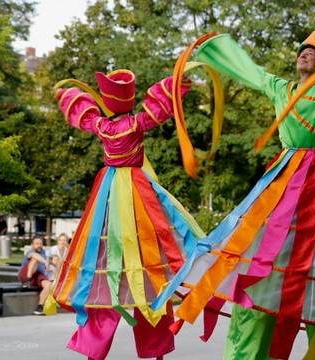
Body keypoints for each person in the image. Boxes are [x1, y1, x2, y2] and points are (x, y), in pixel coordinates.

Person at [155, 28, 315, 359]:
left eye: (313, 51)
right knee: (259, 251)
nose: (304, 53)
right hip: (283, 179)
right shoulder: (280, 88)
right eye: (302, 49)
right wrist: (214, 49)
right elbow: (249, 70)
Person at [53, 69, 204, 360]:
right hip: (137, 193)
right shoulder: (137, 122)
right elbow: (160, 105)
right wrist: (180, 83)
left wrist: (65, 94)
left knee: (103, 271)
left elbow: (82, 111)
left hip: (108, 195)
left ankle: (92, 352)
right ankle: (156, 351)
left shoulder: (100, 125)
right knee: (152, 272)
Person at [19, 237, 52, 316]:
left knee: (48, 285)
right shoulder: (30, 252)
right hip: (26, 274)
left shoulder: (44, 253)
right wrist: (45, 261)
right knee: (35, 259)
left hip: (38, 275)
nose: (39, 245)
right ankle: (27, 281)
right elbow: (34, 255)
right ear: (32, 245)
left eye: (40, 244)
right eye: (37, 244)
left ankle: (39, 308)